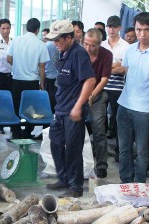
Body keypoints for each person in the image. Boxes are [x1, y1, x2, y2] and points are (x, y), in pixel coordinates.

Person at [116, 12, 149, 183]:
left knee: (141, 151)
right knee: (124, 149)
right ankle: (125, 182)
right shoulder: (130, 50)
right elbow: (126, 71)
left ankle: (139, 184)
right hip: (124, 106)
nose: (142, 34)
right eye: (139, 29)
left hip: (145, 111)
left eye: (146, 30)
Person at [44, 20, 96, 198]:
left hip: (73, 111)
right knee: (56, 142)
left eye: (58, 39)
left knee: (73, 149)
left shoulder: (78, 54)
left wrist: (78, 106)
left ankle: (75, 187)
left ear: (68, 37)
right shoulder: (64, 52)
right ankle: (64, 178)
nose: (55, 43)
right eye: (53, 40)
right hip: (61, 109)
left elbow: (90, 81)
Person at [6, 18, 50, 140]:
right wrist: (42, 83)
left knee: (15, 107)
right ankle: (27, 132)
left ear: (27, 28)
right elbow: (42, 65)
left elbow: (8, 58)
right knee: (31, 108)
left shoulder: (16, 40)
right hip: (32, 81)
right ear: (38, 29)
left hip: (17, 79)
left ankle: (16, 133)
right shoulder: (41, 44)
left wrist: (18, 66)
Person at [83, 28, 112, 178]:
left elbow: (104, 79)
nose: (88, 48)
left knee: (99, 131)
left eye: (92, 45)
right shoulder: (79, 53)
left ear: (99, 44)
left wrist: (92, 95)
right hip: (79, 95)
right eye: (86, 44)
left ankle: (101, 165)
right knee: (75, 130)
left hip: (97, 96)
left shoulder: (107, 55)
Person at [101, 15, 129, 162]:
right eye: (109, 26)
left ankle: (120, 151)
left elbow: (124, 68)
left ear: (120, 28)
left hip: (118, 88)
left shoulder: (126, 46)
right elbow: (97, 66)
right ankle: (100, 151)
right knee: (100, 120)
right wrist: (115, 64)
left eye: (114, 26)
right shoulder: (102, 45)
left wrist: (107, 67)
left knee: (119, 120)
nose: (111, 29)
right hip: (101, 86)